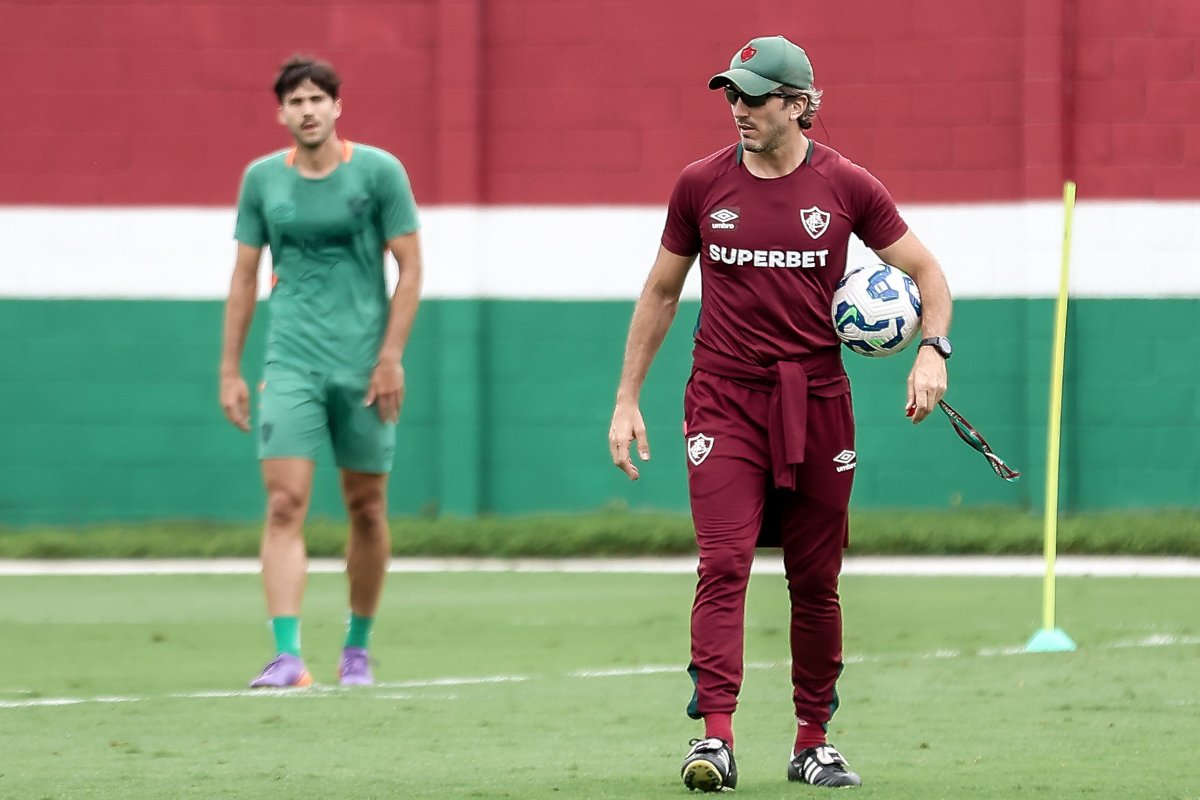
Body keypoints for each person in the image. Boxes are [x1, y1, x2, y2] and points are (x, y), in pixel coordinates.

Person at [608, 35, 952, 791]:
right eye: (732, 93)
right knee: (723, 562)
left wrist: (934, 350)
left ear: (799, 104)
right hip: (723, 400)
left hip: (819, 402)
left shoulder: (848, 186)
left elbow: (928, 273)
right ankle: (716, 740)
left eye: (756, 96)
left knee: (816, 579)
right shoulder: (700, 185)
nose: (739, 108)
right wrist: (627, 398)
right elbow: (661, 293)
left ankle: (812, 741)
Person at [219, 55, 423, 688]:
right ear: (280, 113)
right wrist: (230, 368)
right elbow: (244, 276)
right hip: (291, 362)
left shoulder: (380, 172)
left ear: (337, 107)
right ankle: (287, 657)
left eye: (317, 99)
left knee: (366, 506)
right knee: (285, 503)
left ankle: (357, 649)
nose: (306, 110)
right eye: (294, 101)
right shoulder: (262, 182)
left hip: (364, 368)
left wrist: (390, 357)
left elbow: (411, 269)